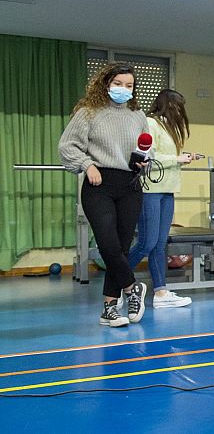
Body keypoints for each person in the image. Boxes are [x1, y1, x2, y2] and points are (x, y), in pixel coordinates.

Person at [59, 62, 150, 328]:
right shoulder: (89, 113)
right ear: (106, 84)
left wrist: (143, 161)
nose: (124, 89)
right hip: (99, 183)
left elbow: (146, 149)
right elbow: (67, 146)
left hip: (130, 184)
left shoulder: (138, 116)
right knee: (107, 244)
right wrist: (87, 165)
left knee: (120, 248)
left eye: (129, 85)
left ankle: (110, 308)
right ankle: (133, 288)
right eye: (118, 84)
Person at [126, 89, 196, 308]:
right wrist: (177, 158)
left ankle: (161, 292)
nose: (181, 111)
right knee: (146, 242)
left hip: (168, 190)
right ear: (169, 105)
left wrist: (182, 158)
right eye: (178, 105)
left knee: (160, 243)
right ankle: (117, 278)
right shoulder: (150, 123)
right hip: (150, 190)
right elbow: (148, 154)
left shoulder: (170, 128)